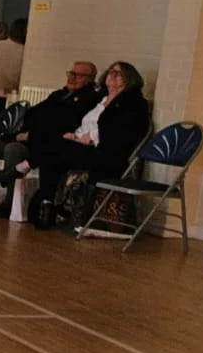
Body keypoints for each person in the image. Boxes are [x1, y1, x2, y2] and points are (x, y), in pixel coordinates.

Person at [0, 59, 100, 213]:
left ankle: (10, 203)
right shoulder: (59, 95)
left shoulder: (89, 100)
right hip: (32, 135)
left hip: (48, 143)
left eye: (78, 75)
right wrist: (25, 132)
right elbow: (33, 114)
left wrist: (31, 134)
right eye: (71, 73)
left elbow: (65, 126)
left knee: (13, 148)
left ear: (90, 79)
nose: (72, 78)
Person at [22, 61, 151, 229]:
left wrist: (93, 136)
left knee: (54, 147)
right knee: (53, 153)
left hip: (105, 153)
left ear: (129, 79)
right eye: (111, 71)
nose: (112, 74)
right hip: (83, 147)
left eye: (118, 73)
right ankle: (47, 205)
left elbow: (124, 131)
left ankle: (28, 174)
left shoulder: (133, 103)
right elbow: (86, 124)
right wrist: (76, 135)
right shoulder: (101, 99)